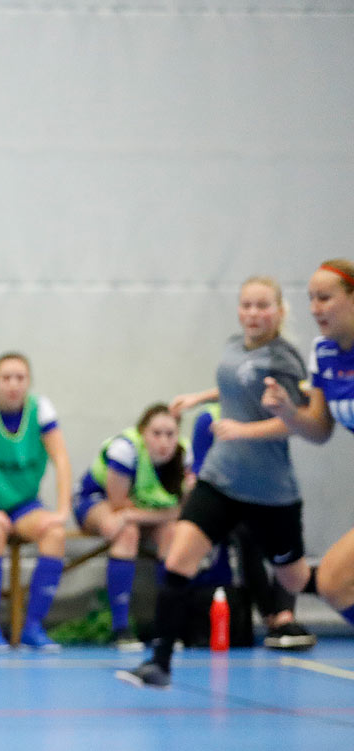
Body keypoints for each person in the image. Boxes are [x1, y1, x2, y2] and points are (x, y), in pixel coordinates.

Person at [120, 276, 311, 688]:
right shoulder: (233, 346)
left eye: (263, 306)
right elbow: (235, 387)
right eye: (247, 305)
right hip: (222, 480)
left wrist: (245, 431)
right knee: (179, 560)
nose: (253, 314)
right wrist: (198, 399)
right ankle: (160, 663)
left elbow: (300, 421)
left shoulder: (285, 360)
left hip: (270, 490)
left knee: (298, 579)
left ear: (279, 311)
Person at [254, 258, 354, 634]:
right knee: (332, 583)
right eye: (311, 299)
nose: (315, 308)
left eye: (325, 298)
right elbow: (319, 429)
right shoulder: (324, 353)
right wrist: (287, 411)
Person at [0, 352, 73, 650]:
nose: (13, 384)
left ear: (29, 382)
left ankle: (32, 627)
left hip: (24, 504)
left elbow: (61, 459)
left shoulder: (41, 409)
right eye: (6, 378)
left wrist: (62, 510)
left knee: (55, 534)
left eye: (20, 378)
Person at [188, 396, 313, 649]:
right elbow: (201, 472)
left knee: (284, 536)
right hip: (228, 501)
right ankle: (272, 617)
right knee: (248, 536)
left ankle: (286, 616)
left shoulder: (269, 413)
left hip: (268, 496)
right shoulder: (209, 418)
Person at [74, 403, 189, 649]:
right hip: (97, 501)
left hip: (140, 512)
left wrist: (149, 515)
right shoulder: (124, 450)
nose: (163, 442)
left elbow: (184, 512)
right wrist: (160, 514)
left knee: (173, 533)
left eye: (170, 434)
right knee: (125, 533)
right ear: (142, 433)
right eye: (156, 434)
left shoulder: (185, 456)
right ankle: (121, 628)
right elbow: (118, 508)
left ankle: (165, 628)